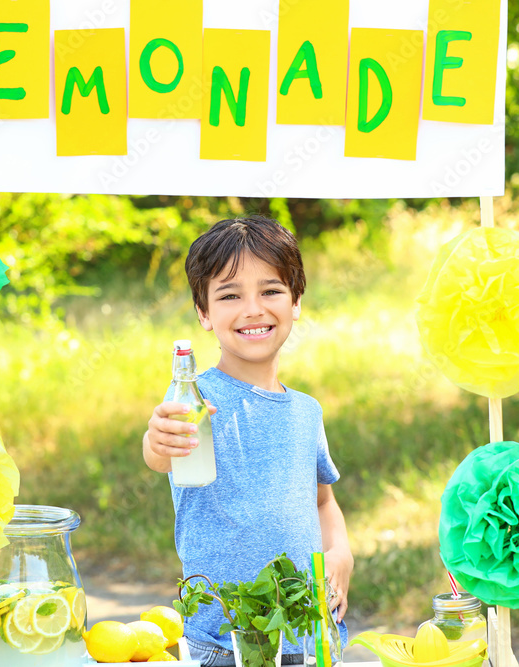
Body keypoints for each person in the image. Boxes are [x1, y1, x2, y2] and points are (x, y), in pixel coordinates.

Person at [143, 216, 354, 666]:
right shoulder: (194, 398)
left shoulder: (306, 410)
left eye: (271, 290)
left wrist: (341, 551)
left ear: (296, 302)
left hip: (311, 634)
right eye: (230, 295)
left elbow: (322, 501)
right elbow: (163, 453)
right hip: (223, 641)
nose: (253, 309)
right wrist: (159, 439)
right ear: (204, 313)